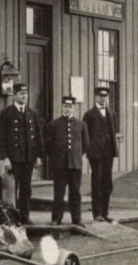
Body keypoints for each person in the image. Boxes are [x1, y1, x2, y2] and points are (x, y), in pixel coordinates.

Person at [0, 82, 43, 223]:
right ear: (14, 95)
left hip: (29, 158)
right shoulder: (7, 113)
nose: (24, 96)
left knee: (26, 189)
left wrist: (38, 156)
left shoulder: (32, 113)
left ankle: (24, 216)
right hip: (13, 159)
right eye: (21, 93)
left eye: (26, 93)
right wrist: (4, 158)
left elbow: (38, 136)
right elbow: (0, 137)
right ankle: (11, 217)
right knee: (11, 189)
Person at [44, 95, 88, 226]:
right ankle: (56, 219)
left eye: (70, 106)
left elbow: (86, 144)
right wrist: (56, 157)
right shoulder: (54, 124)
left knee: (75, 193)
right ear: (62, 107)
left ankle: (77, 219)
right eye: (65, 106)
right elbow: (48, 144)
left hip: (75, 165)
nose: (67, 109)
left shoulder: (81, 125)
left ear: (74, 108)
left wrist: (77, 157)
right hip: (60, 165)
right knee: (59, 193)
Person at [83, 86, 119, 222]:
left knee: (107, 182)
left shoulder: (112, 113)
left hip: (108, 152)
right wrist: (89, 149)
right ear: (95, 97)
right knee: (96, 181)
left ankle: (105, 212)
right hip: (95, 154)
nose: (103, 98)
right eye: (100, 96)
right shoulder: (89, 115)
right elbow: (85, 135)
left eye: (105, 96)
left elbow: (113, 131)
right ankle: (96, 213)